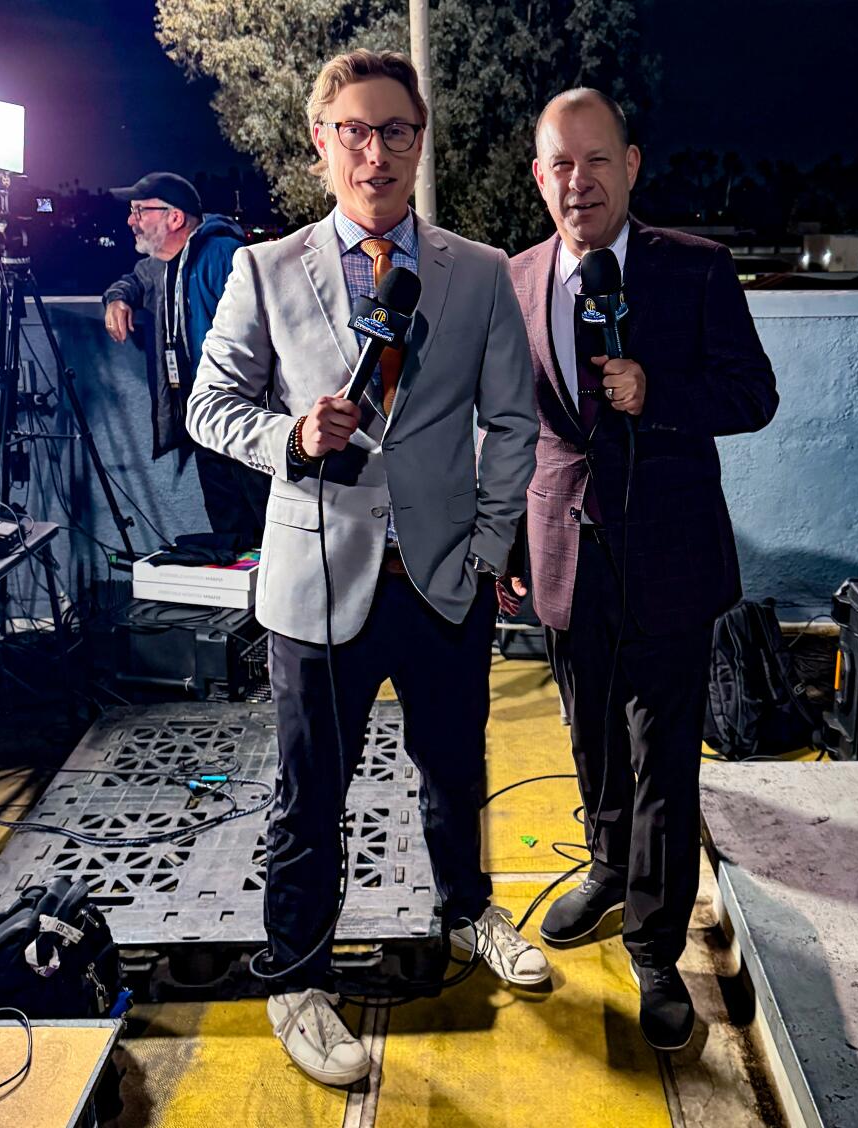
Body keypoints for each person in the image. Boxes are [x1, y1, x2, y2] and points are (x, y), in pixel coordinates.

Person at [186, 49, 544, 1087]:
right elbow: (212, 409)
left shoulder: (477, 271)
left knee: (456, 768)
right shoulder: (263, 268)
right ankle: (295, 977)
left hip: (440, 578)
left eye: (395, 130)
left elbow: (511, 422)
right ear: (320, 141)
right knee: (310, 796)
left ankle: (468, 912)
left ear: (419, 141)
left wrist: (484, 549)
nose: (375, 151)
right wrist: (292, 436)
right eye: (354, 130)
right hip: (315, 583)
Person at [503, 88, 778, 1052]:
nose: (578, 182)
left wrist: (658, 393)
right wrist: (505, 542)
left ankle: (658, 946)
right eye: (559, 164)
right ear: (539, 176)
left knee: (663, 755)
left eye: (596, 160)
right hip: (562, 553)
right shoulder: (517, 275)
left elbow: (754, 396)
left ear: (632, 163)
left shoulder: (696, 270)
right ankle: (609, 869)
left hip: (669, 553)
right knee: (589, 738)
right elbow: (510, 430)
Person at [103, 172, 269, 544]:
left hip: (244, 421)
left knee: (268, 533)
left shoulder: (223, 256)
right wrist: (116, 299)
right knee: (231, 538)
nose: (131, 220)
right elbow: (133, 279)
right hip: (204, 424)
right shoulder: (163, 264)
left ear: (174, 218)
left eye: (140, 210)